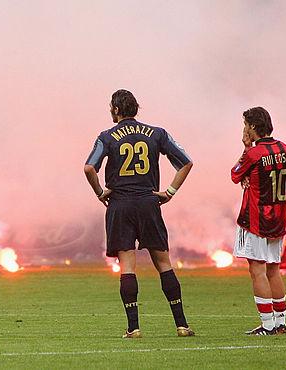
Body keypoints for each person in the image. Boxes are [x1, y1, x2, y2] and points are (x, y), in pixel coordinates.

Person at [84, 89, 196, 338]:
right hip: (148, 202)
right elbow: (186, 162)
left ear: (115, 109)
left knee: (127, 266)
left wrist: (100, 192)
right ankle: (181, 325)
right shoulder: (157, 133)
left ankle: (134, 328)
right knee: (163, 263)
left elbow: (89, 167)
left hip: (120, 205)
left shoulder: (107, 136)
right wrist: (169, 191)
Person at [231, 107, 286, 335]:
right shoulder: (285, 149)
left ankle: (267, 325)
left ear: (253, 127)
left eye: (246, 124)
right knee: (274, 270)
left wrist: (246, 149)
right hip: (279, 217)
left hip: (256, 218)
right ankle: (281, 323)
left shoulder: (254, 153)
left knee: (257, 270)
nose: (244, 129)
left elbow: (235, 174)